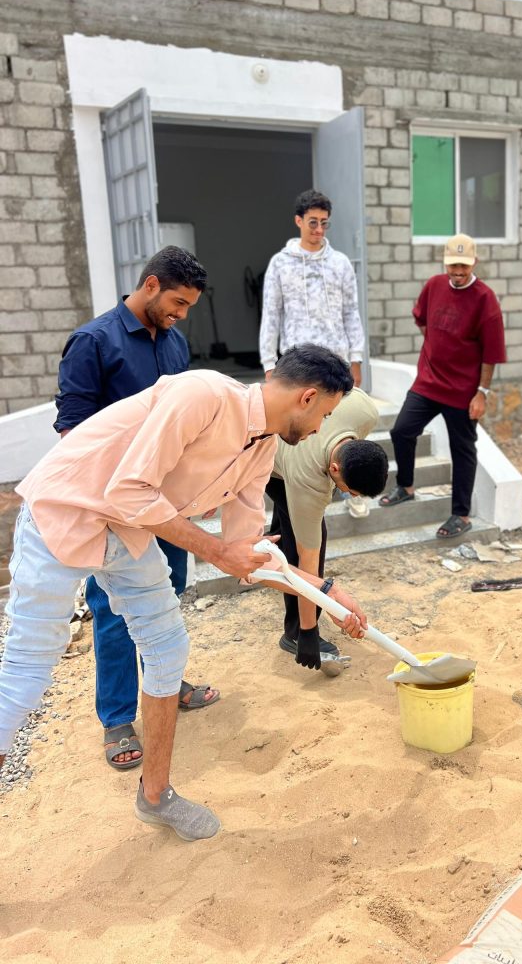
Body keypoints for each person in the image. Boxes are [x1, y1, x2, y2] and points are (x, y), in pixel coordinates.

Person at [0, 346, 368, 841]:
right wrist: (217, 551)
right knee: (27, 669)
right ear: (307, 398)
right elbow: (128, 490)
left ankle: (155, 797)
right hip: (63, 510)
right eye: (325, 414)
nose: (321, 429)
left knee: (168, 648)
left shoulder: (262, 449)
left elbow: (248, 555)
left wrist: (325, 592)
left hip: (128, 532)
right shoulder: (204, 395)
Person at [54, 245, 218, 773]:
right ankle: (119, 718)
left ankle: (166, 684)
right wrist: (107, 500)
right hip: (113, 505)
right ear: (150, 285)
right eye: (177, 302)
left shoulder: (175, 344)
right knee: (113, 609)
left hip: (165, 501)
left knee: (167, 595)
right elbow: (73, 433)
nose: (182, 315)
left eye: (189, 306)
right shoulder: (93, 342)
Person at [379, 234, 507, 539]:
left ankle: (461, 515)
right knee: (402, 430)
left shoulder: (485, 299)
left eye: (464, 265)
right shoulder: (434, 285)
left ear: (474, 262)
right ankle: (406, 486)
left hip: (463, 391)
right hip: (428, 382)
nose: (458, 272)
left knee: (462, 450)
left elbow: (491, 354)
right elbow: (421, 319)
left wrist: (482, 393)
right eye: (453, 266)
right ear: (445, 263)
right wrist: (436, 349)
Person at [259, 189, 369, 521]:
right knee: (300, 430)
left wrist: (356, 358)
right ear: (298, 221)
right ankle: (299, 495)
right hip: (298, 365)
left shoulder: (340, 263)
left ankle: (350, 487)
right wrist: (269, 363)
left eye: (324, 223)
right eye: (313, 222)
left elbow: (351, 312)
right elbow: (271, 314)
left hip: (337, 363)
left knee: (341, 426)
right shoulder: (280, 264)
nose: (319, 229)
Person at [267, 387, 389, 661]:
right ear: (334, 469)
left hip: (295, 448)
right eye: (350, 491)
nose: (351, 497)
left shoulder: (365, 411)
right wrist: (308, 632)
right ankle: (294, 633)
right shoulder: (309, 481)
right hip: (269, 462)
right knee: (303, 545)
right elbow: (308, 561)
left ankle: (276, 542)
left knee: (289, 529)